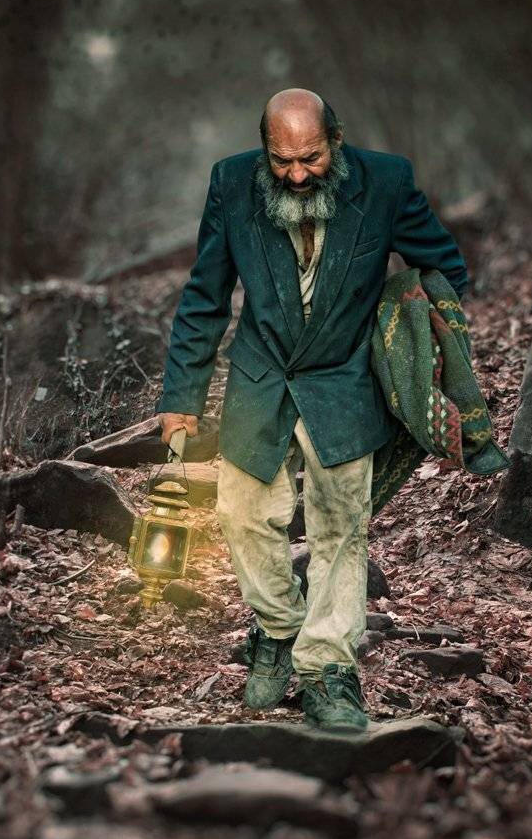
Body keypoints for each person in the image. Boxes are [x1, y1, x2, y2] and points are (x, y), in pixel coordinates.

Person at [156, 88, 469, 732]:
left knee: (340, 527)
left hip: (345, 378)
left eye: (312, 158)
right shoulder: (230, 183)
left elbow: (445, 268)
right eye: (282, 161)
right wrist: (181, 400)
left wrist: (410, 338)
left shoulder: (386, 183)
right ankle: (276, 630)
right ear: (264, 148)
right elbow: (205, 296)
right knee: (241, 514)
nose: (297, 175)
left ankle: (329, 667)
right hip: (260, 376)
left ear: (336, 140)